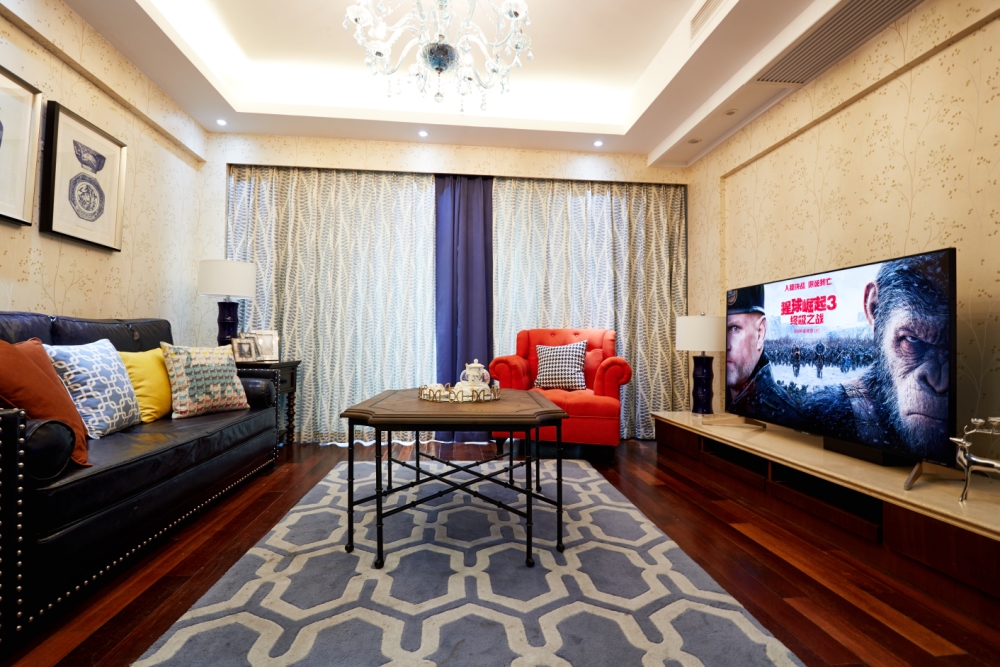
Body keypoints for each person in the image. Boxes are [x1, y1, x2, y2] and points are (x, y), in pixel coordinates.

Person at [801, 253, 951, 458]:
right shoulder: (830, 411)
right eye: (912, 340)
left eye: (949, 349)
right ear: (874, 309)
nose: (939, 382)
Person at [725, 285, 807, 427]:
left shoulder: (789, 418)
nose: (725, 345)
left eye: (735, 328)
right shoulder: (715, 395)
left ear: (760, 333)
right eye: (722, 329)